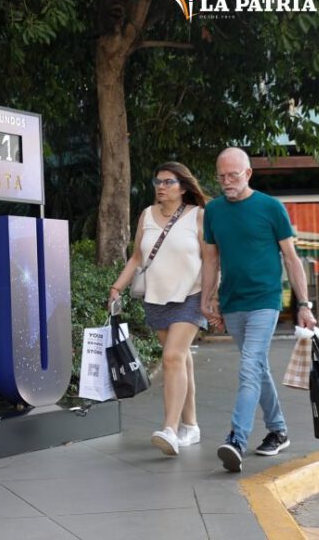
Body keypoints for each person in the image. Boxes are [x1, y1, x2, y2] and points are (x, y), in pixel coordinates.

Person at [201, 147, 317, 473]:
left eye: (233, 175)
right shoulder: (213, 211)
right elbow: (210, 259)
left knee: (249, 367)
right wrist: (206, 299)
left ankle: (236, 439)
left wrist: (304, 304)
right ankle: (278, 430)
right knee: (258, 367)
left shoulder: (270, 207)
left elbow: (292, 259)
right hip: (232, 302)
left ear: (248, 173)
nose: (227, 181)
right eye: (221, 177)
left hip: (265, 301)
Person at [110, 162, 215, 456]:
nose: (161, 187)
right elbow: (136, 258)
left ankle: (170, 429)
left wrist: (211, 296)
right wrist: (116, 287)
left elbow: (210, 259)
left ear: (183, 187)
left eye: (168, 182)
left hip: (191, 296)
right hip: (156, 298)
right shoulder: (146, 215)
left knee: (171, 357)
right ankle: (191, 426)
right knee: (180, 360)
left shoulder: (198, 216)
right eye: (158, 181)